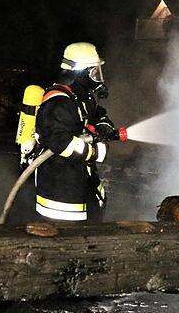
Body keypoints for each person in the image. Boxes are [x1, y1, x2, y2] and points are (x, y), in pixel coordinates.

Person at [33, 42, 122, 222]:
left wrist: (104, 125)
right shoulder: (58, 101)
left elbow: (96, 114)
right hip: (61, 196)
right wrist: (95, 152)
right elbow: (60, 142)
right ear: (82, 72)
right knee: (66, 243)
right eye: (94, 72)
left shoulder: (81, 96)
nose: (97, 77)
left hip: (79, 180)